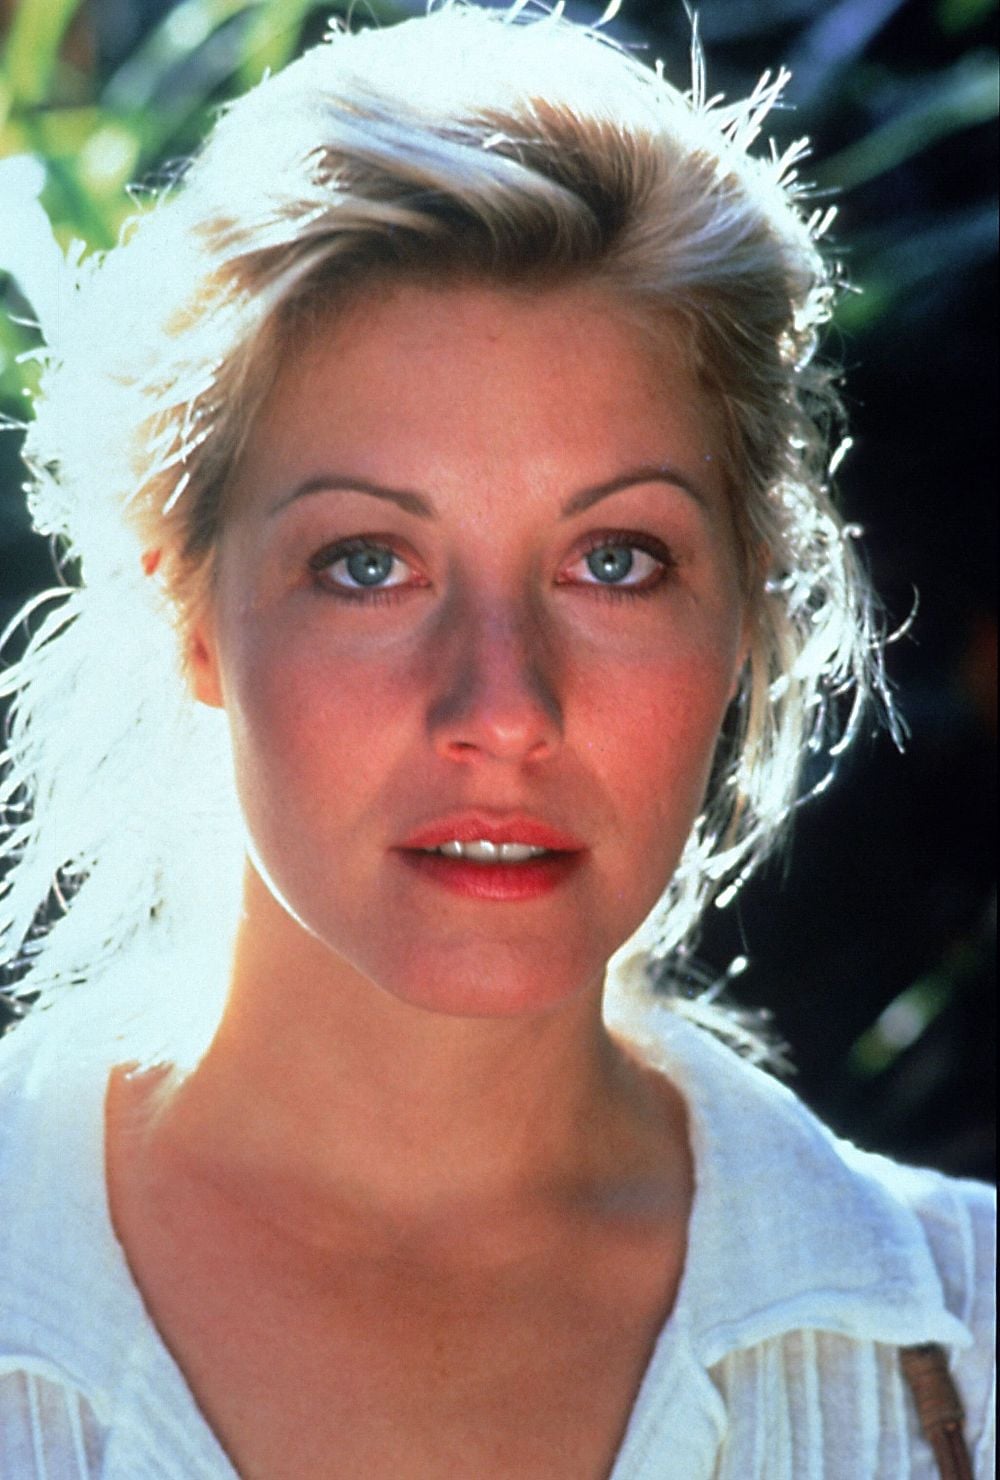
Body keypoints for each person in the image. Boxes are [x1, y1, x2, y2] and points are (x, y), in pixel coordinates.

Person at [0, 4, 993, 1476]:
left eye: (614, 562)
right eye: (368, 564)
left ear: (746, 608)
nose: (505, 708)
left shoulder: (967, 1353)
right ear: (189, 608)